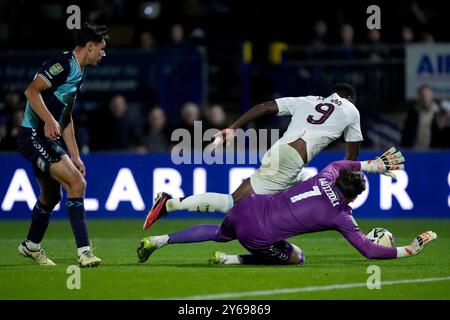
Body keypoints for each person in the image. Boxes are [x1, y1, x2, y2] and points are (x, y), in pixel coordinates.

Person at [137, 149, 437, 265]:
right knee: (297, 258)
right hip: (258, 234)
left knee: (218, 231)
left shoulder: (327, 174)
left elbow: (341, 162)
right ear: (354, 199)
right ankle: (231, 260)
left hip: (248, 207)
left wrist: (371, 165)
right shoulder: (342, 216)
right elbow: (369, 250)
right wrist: (409, 249)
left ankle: (160, 240)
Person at [143, 83, 363, 229]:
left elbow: (265, 107)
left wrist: (234, 126)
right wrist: (350, 182)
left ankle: (170, 204)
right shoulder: (351, 110)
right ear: (350, 99)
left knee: (303, 180)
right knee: (232, 203)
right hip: (291, 162)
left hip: (278, 153)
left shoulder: (308, 100)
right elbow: (351, 158)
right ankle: (169, 204)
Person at [16, 22, 109, 267]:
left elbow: (66, 118)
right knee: (77, 184)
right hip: (33, 136)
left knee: (51, 196)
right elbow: (31, 91)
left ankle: (31, 246)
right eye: (102, 48)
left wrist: (76, 156)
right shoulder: (63, 64)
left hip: (45, 137)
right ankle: (85, 252)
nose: (104, 53)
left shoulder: (80, 72)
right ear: (89, 46)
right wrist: (47, 121)